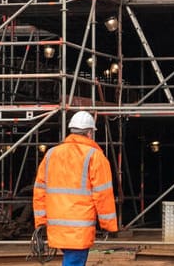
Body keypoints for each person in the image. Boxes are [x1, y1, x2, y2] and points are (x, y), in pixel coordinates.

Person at [33, 110, 117, 265]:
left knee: (72, 259)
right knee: (74, 261)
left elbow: (40, 191)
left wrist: (40, 221)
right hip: (79, 227)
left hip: (56, 225)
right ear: (90, 133)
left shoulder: (51, 154)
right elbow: (103, 195)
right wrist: (108, 225)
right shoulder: (95, 156)